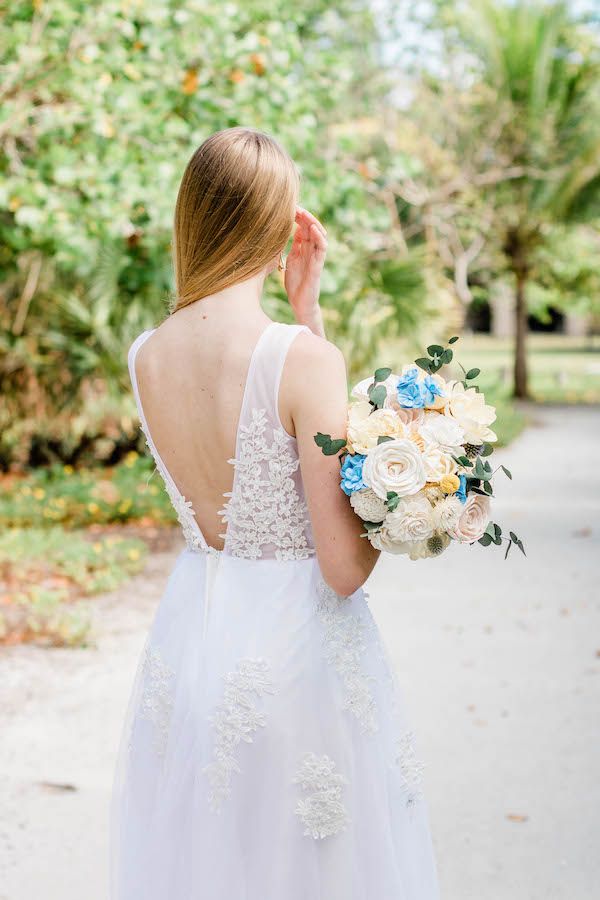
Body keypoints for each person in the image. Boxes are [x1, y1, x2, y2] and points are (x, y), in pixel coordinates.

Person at [110, 126, 440, 899]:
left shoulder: (145, 355)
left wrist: (306, 312)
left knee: (212, 863)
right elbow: (342, 569)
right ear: (279, 225)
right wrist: (405, 510)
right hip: (296, 658)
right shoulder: (303, 360)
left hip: (193, 640)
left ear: (192, 219)